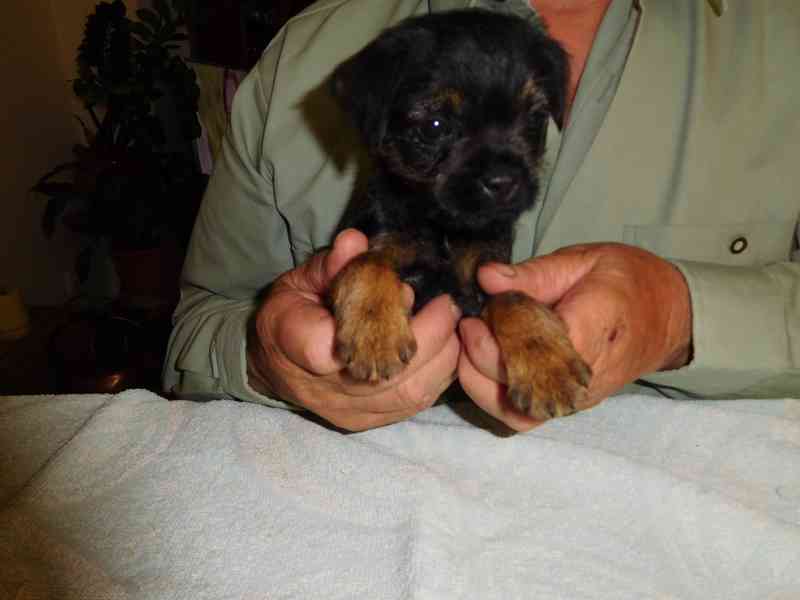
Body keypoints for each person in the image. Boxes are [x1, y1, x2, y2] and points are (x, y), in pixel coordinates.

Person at [164, 0, 800, 432]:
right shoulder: (307, 52)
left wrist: (676, 316)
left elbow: (495, 290)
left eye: (529, 120)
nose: (500, 171)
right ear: (372, 123)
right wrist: (260, 355)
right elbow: (196, 329)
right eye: (438, 124)